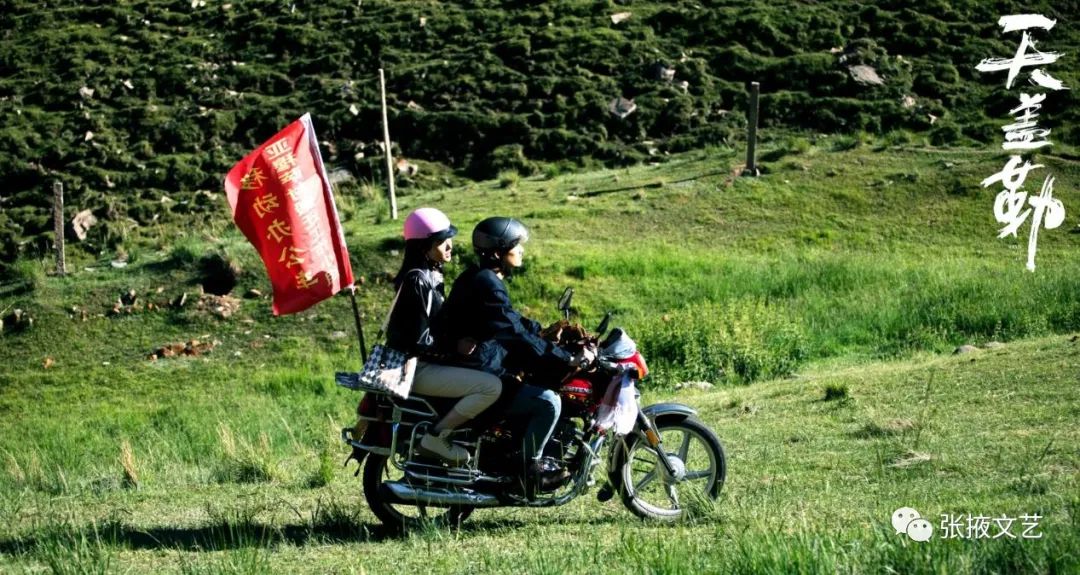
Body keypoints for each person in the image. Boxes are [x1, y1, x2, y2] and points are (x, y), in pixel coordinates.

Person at [438, 217, 593, 494]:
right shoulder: (487, 283)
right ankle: (527, 473)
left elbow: (511, 320)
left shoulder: (478, 276)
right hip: (481, 368)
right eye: (515, 245)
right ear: (498, 252)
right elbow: (512, 332)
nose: (521, 250)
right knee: (548, 402)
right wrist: (564, 358)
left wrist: (541, 332)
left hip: (479, 362)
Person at [384, 208, 502, 465]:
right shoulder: (418, 281)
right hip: (416, 368)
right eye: (441, 241)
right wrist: (455, 346)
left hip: (421, 363)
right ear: (424, 246)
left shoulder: (429, 275)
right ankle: (436, 437)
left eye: (449, 238)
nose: (450, 245)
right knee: (491, 387)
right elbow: (419, 339)